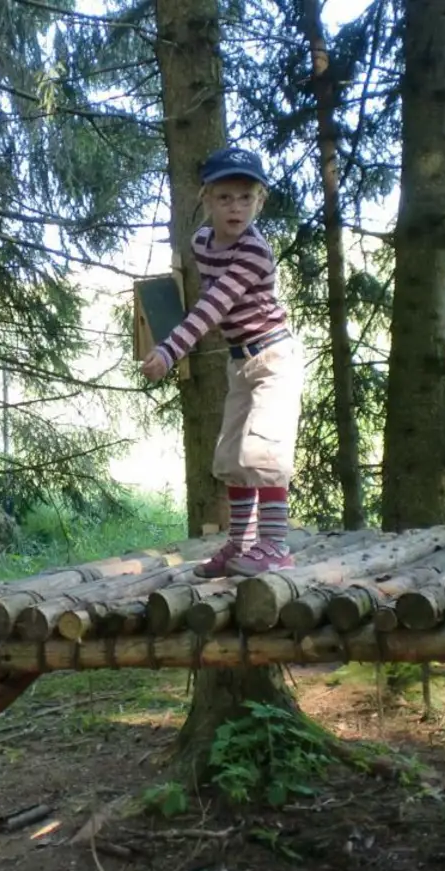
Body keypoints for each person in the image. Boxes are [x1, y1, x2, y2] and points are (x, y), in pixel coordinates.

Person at [140, 146, 305, 578]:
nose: (236, 207)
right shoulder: (201, 243)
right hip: (240, 362)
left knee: (263, 451)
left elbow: (213, 306)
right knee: (231, 455)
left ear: (260, 201)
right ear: (206, 199)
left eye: (246, 198)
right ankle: (240, 543)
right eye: (225, 198)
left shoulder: (254, 252)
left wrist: (170, 350)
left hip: (273, 358)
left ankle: (274, 546)